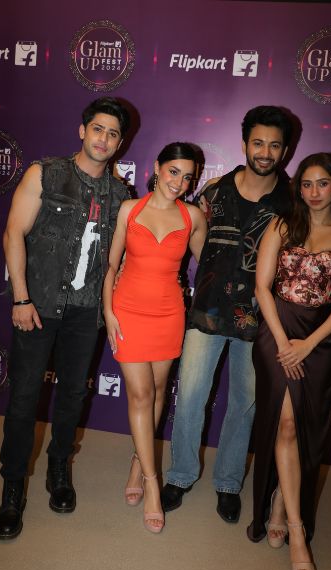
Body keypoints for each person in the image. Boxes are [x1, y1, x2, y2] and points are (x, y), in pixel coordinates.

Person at [0, 97, 131, 540]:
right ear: (82, 130)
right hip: (37, 304)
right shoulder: (45, 173)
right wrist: (20, 297)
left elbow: (116, 261)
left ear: (120, 143)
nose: (103, 139)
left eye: (112, 134)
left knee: (72, 395)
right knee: (23, 399)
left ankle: (58, 469)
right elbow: (14, 232)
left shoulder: (121, 196)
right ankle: (12, 488)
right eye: (98, 129)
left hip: (85, 312)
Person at [162, 106, 294, 523]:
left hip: (258, 320)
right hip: (207, 311)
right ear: (244, 144)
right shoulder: (214, 192)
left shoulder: (291, 202)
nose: (265, 152)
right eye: (258, 143)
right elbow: (186, 238)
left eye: (274, 145)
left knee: (244, 403)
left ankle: (228, 482)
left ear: (285, 150)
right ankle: (181, 474)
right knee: (190, 397)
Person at [245, 153, 331, 570]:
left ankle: (282, 501)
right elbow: (262, 287)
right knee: (286, 424)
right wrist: (282, 343)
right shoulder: (281, 226)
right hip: (277, 334)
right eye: (307, 184)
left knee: (303, 428)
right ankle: (297, 531)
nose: (314, 192)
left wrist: (308, 345)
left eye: (323, 183)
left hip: (320, 340)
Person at [103, 142, 207, 533]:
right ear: (158, 167)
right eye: (173, 171)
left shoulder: (192, 217)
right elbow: (111, 263)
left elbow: (208, 267)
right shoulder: (130, 209)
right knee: (141, 394)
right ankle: (151, 482)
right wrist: (108, 312)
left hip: (169, 314)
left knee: (160, 391)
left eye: (187, 177)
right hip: (128, 311)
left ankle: (137, 461)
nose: (178, 182)